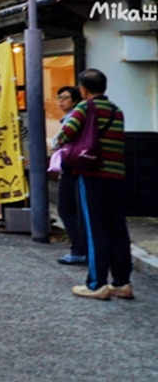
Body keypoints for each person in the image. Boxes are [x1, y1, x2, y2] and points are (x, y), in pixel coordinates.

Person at [53, 69, 132, 300]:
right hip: (116, 175)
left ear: (83, 89)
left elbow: (65, 134)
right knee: (117, 228)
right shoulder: (117, 111)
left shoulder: (84, 108)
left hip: (92, 174)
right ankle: (122, 283)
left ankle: (97, 284)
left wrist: (60, 143)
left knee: (94, 228)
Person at [53, 85, 87, 266]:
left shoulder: (73, 118)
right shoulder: (73, 116)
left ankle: (78, 250)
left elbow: (60, 140)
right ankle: (81, 248)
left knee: (66, 209)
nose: (61, 101)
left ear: (75, 101)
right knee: (73, 210)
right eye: (59, 97)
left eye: (65, 97)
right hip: (78, 166)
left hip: (72, 167)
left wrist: (56, 143)